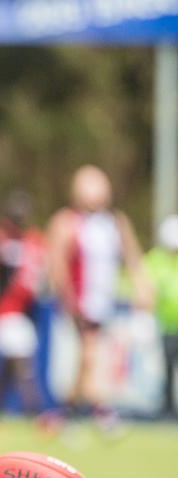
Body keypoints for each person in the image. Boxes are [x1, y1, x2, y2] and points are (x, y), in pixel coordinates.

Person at [46, 164, 153, 424]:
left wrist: (142, 287)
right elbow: (57, 263)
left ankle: (68, 413)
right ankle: (97, 411)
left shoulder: (115, 223)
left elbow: (133, 258)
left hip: (104, 303)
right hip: (78, 304)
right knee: (87, 355)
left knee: (91, 358)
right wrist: (69, 299)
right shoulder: (66, 221)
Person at [0, 190, 45, 418]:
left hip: (25, 313)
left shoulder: (34, 241)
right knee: (22, 364)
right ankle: (38, 414)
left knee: (6, 370)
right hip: (5, 312)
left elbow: (39, 280)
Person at [145, 214, 178, 418]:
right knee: (166, 367)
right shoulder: (156, 260)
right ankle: (166, 408)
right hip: (166, 325)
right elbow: (147, 288)